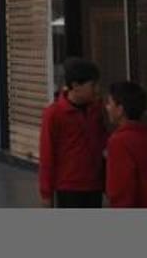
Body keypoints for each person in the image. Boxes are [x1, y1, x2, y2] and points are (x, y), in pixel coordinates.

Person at [38, 57, 107, 208]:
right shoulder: (54, 114)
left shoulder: (97, 110)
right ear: (76, 86)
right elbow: (47, 155)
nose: (97, 90)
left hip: (95, 185)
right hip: (69, 188)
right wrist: (46, 194)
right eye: (93, 85)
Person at [104, 81, 147, 208]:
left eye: (109, 103)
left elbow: (121, 190)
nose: (106, 107)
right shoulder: (145, 134)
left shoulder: (119, 141)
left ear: (120, 110)